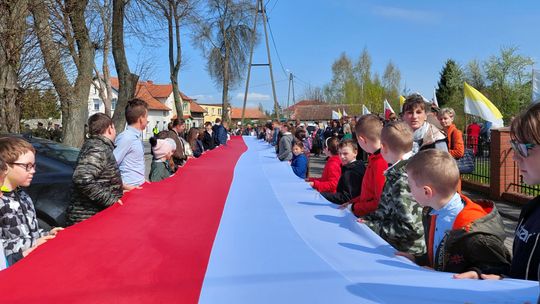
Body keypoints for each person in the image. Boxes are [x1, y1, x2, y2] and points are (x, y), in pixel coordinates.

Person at [456, 102, 540, 281]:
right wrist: (497, 278)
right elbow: (523, 273)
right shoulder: (532, 210)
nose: (515, 156)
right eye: (514, 146)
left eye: (522, 148)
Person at [396, 149, 511, 277]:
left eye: (410, 186)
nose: (409, 191)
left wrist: (476, 274)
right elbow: (440, 255)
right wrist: (417, 260)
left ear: (426, 192)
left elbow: (500, 271)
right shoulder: (432, 212)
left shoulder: (474, 233)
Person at [361, 121, 425, 255]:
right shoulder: (398, 172)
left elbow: (409, 228)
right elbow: (386, 208)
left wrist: (371, 227)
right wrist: (369, 218)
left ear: (383, 148)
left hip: (407, 252)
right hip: (398, 247)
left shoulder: (402, 179)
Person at [0, 137, 62, 266]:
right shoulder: (2, 201)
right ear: (5, 166)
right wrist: (34, 243)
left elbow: (30, 231)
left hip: (33, 261)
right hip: (14, 268)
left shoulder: (23, 195)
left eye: (33, 166)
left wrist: (48, 233)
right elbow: (2, 246)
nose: (33, 171)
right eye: (27, 166)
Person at [66, 113, 124, 226]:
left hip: (93, 215)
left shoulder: (98, 146)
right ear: (110, 128)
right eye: (114, 128)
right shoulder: (98, 148)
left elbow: (102, 178)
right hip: (89, 217)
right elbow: (81, 178)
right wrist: (111, 200)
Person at [348, 114, 388, 217]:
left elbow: (379, 202)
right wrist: (352, 202)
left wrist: (354, 207)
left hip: (371, 218)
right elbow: (368, 193)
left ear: (362, 140)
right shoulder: (375, 158)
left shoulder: (380, 162)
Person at [114, 98, 148, 189]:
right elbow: (111, 165)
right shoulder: (126, 137)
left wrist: (142, 180)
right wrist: (125, 186)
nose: (147, 120)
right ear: (141, 119)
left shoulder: (135, 137)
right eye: (146, 117)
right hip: (129, 190)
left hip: (138, 186)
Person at [321, 140, 365, 205]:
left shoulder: (352, 172)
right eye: (340, 153)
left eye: (345, 154)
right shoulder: (356, 166)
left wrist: (322, 195)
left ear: (355, 153)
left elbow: (346, 198)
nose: (341, 157)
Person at [438, 107, 465, 192]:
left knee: (453, 194)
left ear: (452, 118)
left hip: (452, 169)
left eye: (445, 118)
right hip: (443, 168)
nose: (442, 121)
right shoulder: (441, 132)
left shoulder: (455, 132)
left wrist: (441, 152)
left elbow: (459, 152)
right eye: (441, 119)